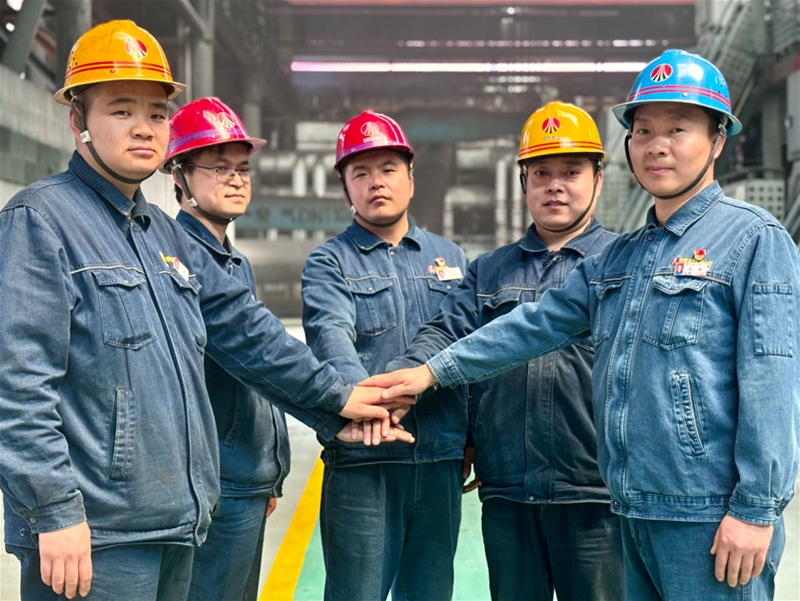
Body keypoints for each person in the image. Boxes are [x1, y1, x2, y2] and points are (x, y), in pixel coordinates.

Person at [368, 49, 800, 601]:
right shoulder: (620, 259)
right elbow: (531, 326)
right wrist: (430, 373)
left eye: (678, 129)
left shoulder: (753, 240)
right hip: (629, 510)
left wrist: (756, 509)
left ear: (718, 140)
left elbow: (772, 383)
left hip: (706, 515)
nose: (657, 145)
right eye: (643, 131)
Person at [0, 21, 411, 601]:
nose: (143, 127)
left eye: (157, 113)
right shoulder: (41, 221)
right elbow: (17, 383)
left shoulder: (162, 236)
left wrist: (338, 400)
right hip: (97, 536)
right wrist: (54, 511)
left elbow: (247, 334)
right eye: (121, 110)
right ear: (78, 120)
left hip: (176, 524)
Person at [384, 101, 623, 601]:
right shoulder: (490, 271)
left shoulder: (623, 265)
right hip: (508, 487)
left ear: (598, 180)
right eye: (541, 174)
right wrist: (397, 380)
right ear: (523, 183)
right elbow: (444, 334)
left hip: (596, 492)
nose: (555, 186)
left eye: (571, 172)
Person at [301, 111, 469, 601]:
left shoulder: (451, 258)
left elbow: (464, 344)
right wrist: (373, 410)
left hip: (438, 460)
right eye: (361, 173)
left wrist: (473, 437)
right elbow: (331, 339)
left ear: (411, 179)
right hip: (363, 463)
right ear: (346, 190)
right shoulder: (329, 262)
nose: (376, 182)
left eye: (388, 169)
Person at [162, 97, 290, 601]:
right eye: (219, 168)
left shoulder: (235, 262)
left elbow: (253, 372)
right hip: (217, 483)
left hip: (247, 480)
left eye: (242, 168)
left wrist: (270, 471)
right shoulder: (179, 257)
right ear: (179, 175)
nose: (236, 180)